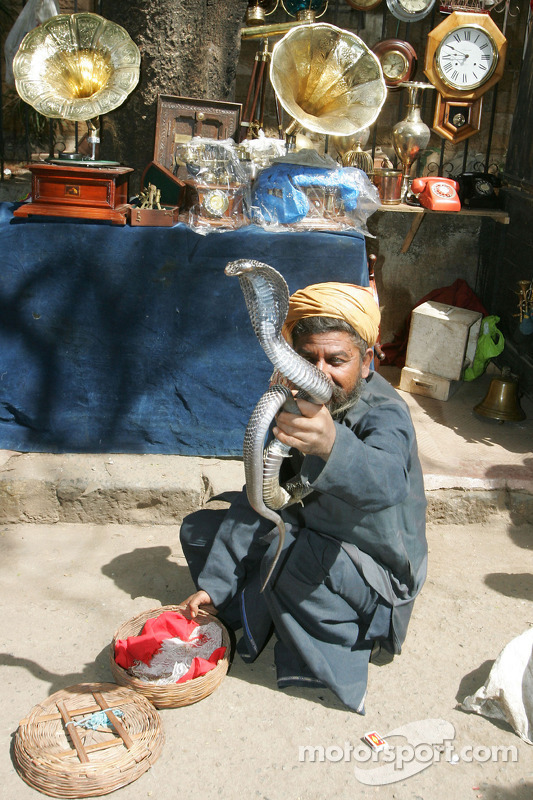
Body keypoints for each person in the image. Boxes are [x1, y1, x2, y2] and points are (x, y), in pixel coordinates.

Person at [180, 282, 427, 713]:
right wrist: (214, 587)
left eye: (336, 360)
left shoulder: (386, 413)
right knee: (201, 529)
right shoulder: (294, 402)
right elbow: (263, 495)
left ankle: (352, 636)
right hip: (304, 524)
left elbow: (386, 483)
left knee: (297, 562)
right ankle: (250, 603)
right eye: (306, 359)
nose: (319, 373)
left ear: (366, 362)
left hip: (374, 565)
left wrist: (332, 446)